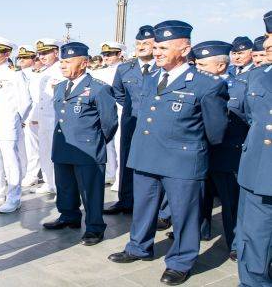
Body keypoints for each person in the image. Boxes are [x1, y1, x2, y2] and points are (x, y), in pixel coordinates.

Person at [108, 20, 229, 286]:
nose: (157, 52)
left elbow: (216, 131)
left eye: (163, 47)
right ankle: (138, 247)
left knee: (185, 214)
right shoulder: (151, 78)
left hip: (182, 160)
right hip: (147, 156)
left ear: (184, 50)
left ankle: (180, 261)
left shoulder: (206, 84)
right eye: (155, 47)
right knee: (143, 208)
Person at [42, 42, 118, 246]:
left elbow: (109, 122)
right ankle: (69, 216)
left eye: (68, 62)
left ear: (84, 63)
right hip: (63, 147)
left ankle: (94, 227)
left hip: (88, 150)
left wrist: (96, 142)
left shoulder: (99, 88)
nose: (62, 65)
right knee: (65, 186)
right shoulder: (59, 87)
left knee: (90, 191)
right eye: (62, 62)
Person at [192, 40, 248, 261]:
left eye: (203, 65)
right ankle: (201, 230)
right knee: (199, 199)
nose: (198, 69)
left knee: (230, 203)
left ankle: (234, 242)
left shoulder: (241, 87)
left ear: (221, 66)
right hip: (197, 151)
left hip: (226, 154)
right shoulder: (193, 84)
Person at [236, 11, 272, 286]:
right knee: (255, 238)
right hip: (259, 169)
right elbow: (248, 114)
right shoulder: (259, 77)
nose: (267, 45)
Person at [104, 26, 156, 215]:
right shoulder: (125, 68)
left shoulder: (163, 68)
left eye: (146, 43)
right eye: (139, 43)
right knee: (127, 160)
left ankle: (159, 210)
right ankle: (126, 200)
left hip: (157, 124)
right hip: (131, 121)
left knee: (155, 164)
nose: (141, 47)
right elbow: (118, 93)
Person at [0, 36, 32, 213]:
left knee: (11, 159)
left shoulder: (15, 74)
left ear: (7, 53)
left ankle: (14, 197)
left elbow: (25, 101)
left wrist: (17, 119)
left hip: (8, 122)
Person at [91, 41, 125, 188]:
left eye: (110, 54)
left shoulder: (125, 70)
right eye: (104, 54)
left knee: (119, 145)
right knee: (108, 145)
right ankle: (111, 173)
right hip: (104, 112)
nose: (106, 57)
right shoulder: (98, 72)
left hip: (121, 111)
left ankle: (120, 178)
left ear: (119, 54)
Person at [33, 38, 66, 195]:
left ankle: (61, 184)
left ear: (56, 52)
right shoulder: (43, 72)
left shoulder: (62, 70)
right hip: (43, 119)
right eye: (40, 53)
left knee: (58, 153)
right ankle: (49, 182)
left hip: (56, 119)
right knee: (44, 151)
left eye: (46, 52)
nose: (42, 56)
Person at [17, 45, 42, 188]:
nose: (21, 60)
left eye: (25, 57)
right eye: (20, 57)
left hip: (32, 114)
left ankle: (33, 175)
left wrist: (31, 117)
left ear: (34, 59)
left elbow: (35, 99)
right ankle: (25, 172)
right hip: (20, 115)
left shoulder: (37, 75)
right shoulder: (16, 73)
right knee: (22, 147)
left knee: (32, 147)